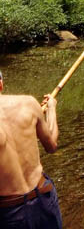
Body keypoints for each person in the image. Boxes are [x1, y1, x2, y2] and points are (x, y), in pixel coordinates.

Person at [0, 70, 62, 227]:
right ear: (1, 84)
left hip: (9, 212)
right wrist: (52, 108)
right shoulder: (28, 103)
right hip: (43, 197)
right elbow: (52, 146)